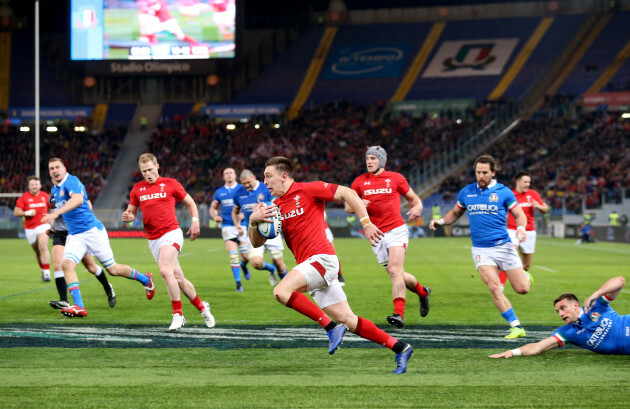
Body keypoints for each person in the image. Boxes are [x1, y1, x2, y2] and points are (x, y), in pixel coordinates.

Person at [248, 156, 414, 374]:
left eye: (269, 176)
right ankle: (401, 348)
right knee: (350, 320)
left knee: (281, 291)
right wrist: (253, 221)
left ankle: (330, 327)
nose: (265, 182)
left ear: (284, 176)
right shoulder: (275, 208)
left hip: (323, 259)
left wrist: (366, 223)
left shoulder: (308, 189)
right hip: (311, 267)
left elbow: (348, 193)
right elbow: (256, 242)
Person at [429, 154, 533, 339]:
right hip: (481, 250)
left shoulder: (504, 192)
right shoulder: (467, 192)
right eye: (478, 172)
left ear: (493, 172)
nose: (481, 176)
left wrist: (521, 229)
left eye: (485, 172)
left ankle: (526, 276)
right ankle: (516, 326)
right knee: (494, 287)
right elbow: (455, 213)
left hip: (504, 247)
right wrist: (441, 221)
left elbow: (519, 214)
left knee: (522, 289)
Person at [41, 158, 156, 318]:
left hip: (92, 232)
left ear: (64, 168)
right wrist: (53, 227)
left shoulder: (72, 181)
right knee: (66, 265)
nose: (55, 170)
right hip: (75, 236)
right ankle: (79, 307)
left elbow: (78, 199)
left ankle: (145, 279)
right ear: (49, 172)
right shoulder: (54, 191)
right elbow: (62, 213)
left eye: (57, 167)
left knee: (113, 270)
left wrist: (55, 213)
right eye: (52, 168)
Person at [122, 153, 215, 331]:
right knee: (178, 278)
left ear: (157, 166)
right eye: (144, 171)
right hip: (153, 239)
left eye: (150, 169)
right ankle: (203, 308)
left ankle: (178, 314)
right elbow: (131, 212)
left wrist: (195, 221)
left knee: (165, 271)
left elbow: (190, 202)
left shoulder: (171, 184)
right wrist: (128, 216)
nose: (147, 174)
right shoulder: (137, 189)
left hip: (172, 233)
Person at [346, 146, 430, 329]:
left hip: (396, 229)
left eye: (373, 159)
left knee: (394, 270)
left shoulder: (395, 178)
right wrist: (358, 203)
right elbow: (348, 208)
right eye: (367, 158)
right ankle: (423, 292)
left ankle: (398, 314)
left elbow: (415, 199)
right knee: (397, 274)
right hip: (375, 234)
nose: (369, 161)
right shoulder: (359, 182)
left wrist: (417, 207)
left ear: (381, 161)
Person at [489, 276, 629, 358]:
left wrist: (596, 294)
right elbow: (537, 347)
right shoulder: (567, 332)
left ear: (575, 305)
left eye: (563, 308)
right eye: (558, 312)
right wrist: (513, 352)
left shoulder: (595, 306)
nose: (561, 314)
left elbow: (620, 281)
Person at [47, 194, 116, 310]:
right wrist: (52, 228)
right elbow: (55, 215)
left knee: (91, 267)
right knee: (58, 265)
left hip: (77, 234)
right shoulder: (53, 197)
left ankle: (108, 288)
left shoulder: (74, 191)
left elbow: (87, 206)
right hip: (60, 234)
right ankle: (64, 300)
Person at [232, 169, 287, 286]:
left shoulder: (266, 188)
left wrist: (262, 209)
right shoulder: (238, 193)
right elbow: (235, 211)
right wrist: (237, 225)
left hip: (271, 228)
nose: (246, 185)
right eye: (244, 183)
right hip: (253, 230)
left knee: (279, 262)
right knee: (256, 263)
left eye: (248, 182)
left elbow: (277, 205)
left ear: (253, 177)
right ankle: (271, 269)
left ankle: (287, 288)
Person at [500, 171, 549, 286]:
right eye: (525, 181)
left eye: (529, 182)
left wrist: (539, 206)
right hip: (513, 229)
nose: (528, 184)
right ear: (518, 182)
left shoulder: (533, 194)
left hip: (529, 231)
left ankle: (519, 281)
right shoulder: (510, 195)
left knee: (526, 266)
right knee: (509, 255)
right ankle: (500, 285)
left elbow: (545, 209)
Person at [210, 167, 250, 291]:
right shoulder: (219, 192)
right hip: (227, 225)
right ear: (223, 177)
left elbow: (249, 203)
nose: (228, 175)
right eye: (226, 173)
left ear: (235, 175)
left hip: (242, 225)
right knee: (233, 255)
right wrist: (215, 216)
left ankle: (244, 265)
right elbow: (213, 208)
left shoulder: (242, 189)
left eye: (231, 173)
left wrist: (245, 214)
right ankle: (239, 284)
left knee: (246, 256)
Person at [14, 176, 52, 282]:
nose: (34, 186)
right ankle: (43, 269)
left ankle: (47, 273)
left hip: (43, 225)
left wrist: (52, 219)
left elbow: (52, 208)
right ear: (29, 186)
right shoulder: (24, 197)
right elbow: (16, 212)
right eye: (32, 184)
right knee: (37, 251)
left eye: (36, 184)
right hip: (29, 228)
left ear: (40, 185)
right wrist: (26, 213)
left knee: (43, 247)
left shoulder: (45, 196)